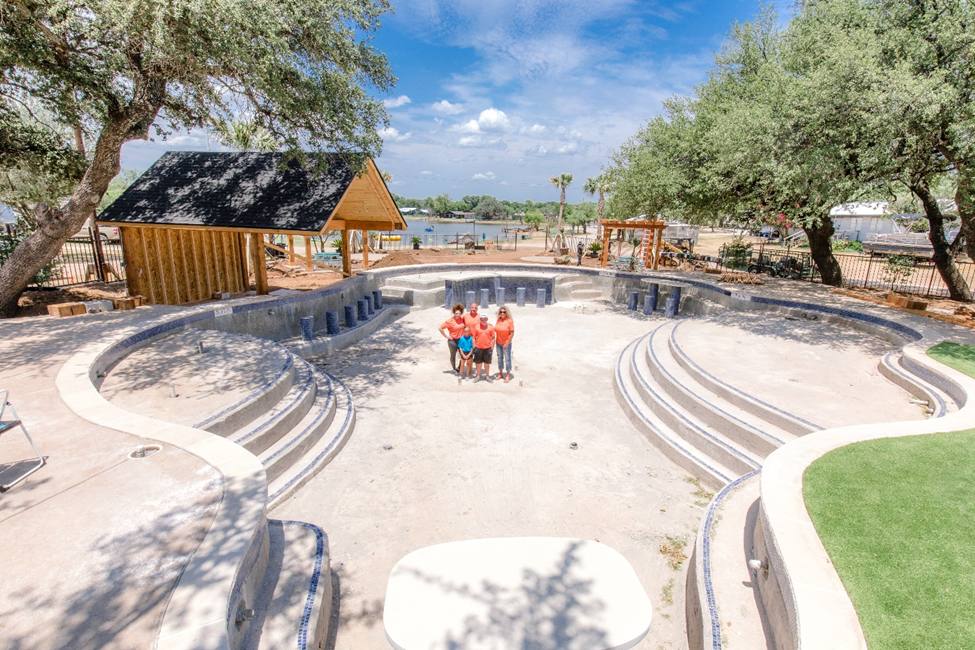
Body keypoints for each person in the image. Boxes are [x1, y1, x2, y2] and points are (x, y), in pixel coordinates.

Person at [439, 304, 467, 372]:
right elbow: (440, 328)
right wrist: (446, 336)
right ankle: (454, 368)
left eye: (459, 313)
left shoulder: (462, 319)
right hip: (452, 341)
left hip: (461, 340)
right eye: (456, 313)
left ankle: (459, 367)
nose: (458, 315)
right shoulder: (449, 321)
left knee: (463, 354)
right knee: (453, 355)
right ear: (454, 313)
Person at [472, 313, 496, 381]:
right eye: (481, 319)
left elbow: (493, 338)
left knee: (487, 364)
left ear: (487, 319)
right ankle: (478, 376)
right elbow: (473, 337)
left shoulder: (491, 327)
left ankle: (487, 376)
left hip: (488, 348)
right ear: (480, 320)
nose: (483, 320)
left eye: (485, 319)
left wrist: (492, 348)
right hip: (478, 348)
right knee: (478, 363)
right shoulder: (476, 327)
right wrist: (474, 347)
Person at [494, 306, 514, 382]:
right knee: (499, 358)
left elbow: (512, 333)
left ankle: (508, 374)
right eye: (501, 312)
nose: (502, 313)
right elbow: (495, 329)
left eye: (504, 312)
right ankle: (500, 373)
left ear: (507, 313)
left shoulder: (509, 321)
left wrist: (507, 342)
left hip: (506, 344)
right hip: (498, 342)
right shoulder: (498, 320)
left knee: (507, 359)